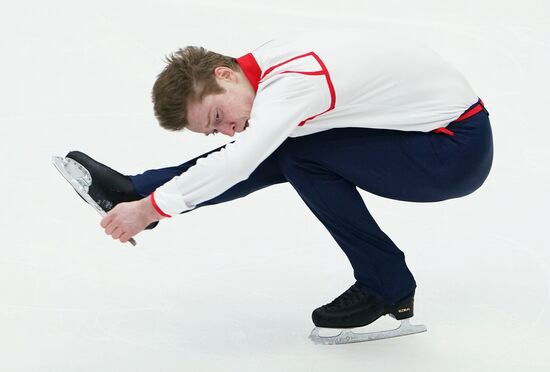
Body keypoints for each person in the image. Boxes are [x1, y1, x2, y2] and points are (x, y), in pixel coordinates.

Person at [59, 30, 493, 343]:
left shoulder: (291, 85)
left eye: (216, 118)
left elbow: (240, 161)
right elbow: (243, 151)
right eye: (214, 130)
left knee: (294, 154)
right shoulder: (265, 66)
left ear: (224, 75)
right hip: (418, 132)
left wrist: (152, 209)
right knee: (285, 148)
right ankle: (131, 187)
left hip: (452, 151)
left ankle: (386, 284)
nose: (227, 129)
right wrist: (150, 199)